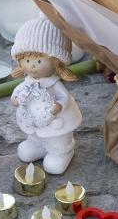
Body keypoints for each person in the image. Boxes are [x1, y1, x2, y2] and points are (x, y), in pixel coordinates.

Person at [10, 16, 82, 175]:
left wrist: (59, 106)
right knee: (30, 144)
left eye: (40, 61)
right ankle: (37, 146)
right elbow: (17, 94)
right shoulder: (27, 84)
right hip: (34, 123)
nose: (33, 66)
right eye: (27, 61)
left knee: (56, 143)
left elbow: (64, 97)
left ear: (57, 62)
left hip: (56, 122)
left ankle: (61, 152)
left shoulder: (54, 85)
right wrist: (16, 100)